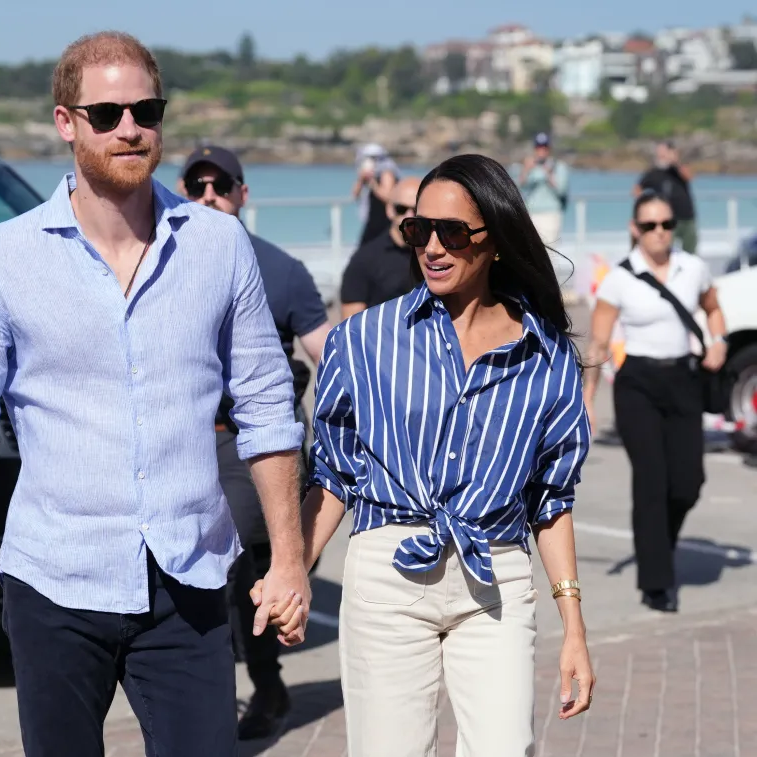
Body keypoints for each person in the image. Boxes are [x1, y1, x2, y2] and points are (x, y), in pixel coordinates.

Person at [0, 31, 311, 757]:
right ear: (66, 123)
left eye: (146, 110)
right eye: (106, 114)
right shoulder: (4, 259)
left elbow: (266, 408)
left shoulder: (218, 245)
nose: (129, 128)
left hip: (189, 582)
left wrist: (287, 559)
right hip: (55, 581)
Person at [255, 153, 596, 755]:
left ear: (495, 240)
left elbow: (551, 499)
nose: (432, 247)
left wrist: (573, 626)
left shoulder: (548, 359)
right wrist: (293, 574)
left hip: (496, 573)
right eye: (419, 230)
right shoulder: (365, 340)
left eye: (453, 233)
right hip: (388, 572)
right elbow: (334, 474)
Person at [177, 144, 331, 739]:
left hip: (249, 443)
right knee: (242, 576)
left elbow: (328, 351)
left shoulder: (282, 269)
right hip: (183, 441)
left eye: (222, 185)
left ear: (243, 194)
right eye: (197, 186)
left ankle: (243, 693)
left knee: (227, 559)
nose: (209, 195)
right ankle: (258, 687)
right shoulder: (159, 262)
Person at [584, 190, 727, 613]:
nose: (660, 233)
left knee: (687, 483)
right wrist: (588, 399)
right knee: (651, 480)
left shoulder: (693, 268)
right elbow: (598, 342)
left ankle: (657, 546)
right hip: (638, 385)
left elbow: (713, 308)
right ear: (635, 230)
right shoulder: (619, 278)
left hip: (683, 379)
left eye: (666, 224)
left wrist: (717, 340)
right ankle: (657, 582)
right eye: (649, 226)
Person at [339, 176, 420, 320]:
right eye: (401, 209)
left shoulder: (437, 255)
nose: (409, 216)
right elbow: (350, 329)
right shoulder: (364, 260)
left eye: (416, 209)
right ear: (389, 209)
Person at [634, 140, 698, 254]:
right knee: (666, 251)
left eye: (665, 152)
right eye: (660, 153)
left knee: (691, 252)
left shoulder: (677, 170)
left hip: (687, 216)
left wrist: (675, 161)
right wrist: (649, 205)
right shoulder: (653, 173)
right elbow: (637, 190)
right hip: (667, 220)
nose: (663, 156)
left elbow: (689, 177)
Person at [517, 132, 570, 246]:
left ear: (549, 149)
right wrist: (526, 170)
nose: (541, 151)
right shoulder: (529, 166)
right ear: (535, 149)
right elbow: (517, 188)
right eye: (539, 147)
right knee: (531, 251)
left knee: (550, 250)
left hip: (551, 214)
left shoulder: (558, 166)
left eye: (544, 147)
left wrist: (548, 174)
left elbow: (561, 190)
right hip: (531, 213)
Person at [351, 143, 399, 246]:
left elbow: (388, 197)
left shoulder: (387, 172)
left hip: (384, 220)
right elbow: (355, 194)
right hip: (372, 219)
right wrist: (361, 179)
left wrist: (373, 183)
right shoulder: (369, 174)